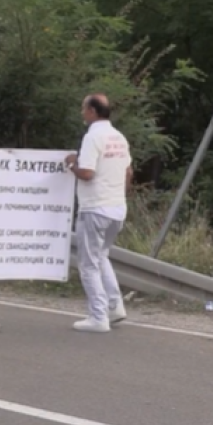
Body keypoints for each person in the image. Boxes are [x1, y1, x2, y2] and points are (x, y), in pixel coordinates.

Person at [64, 93, 132, 333]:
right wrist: (117, 195)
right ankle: (115, 306)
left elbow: (87, 173)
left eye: (84, 108)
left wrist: (72, 162)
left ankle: (98, 316)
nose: (82, 112)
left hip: (94, 209)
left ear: (92, 111)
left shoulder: (93, 137)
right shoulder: (119, 137)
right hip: (117, 209)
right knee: (101, 256)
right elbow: (128, 172)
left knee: (88, 264)